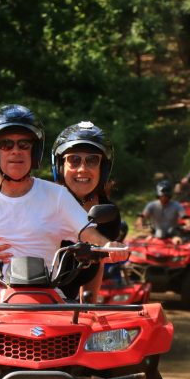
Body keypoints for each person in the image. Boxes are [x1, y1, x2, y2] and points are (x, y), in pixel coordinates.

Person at [0, 105, 127, 303]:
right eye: (6, 144)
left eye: (24, 145)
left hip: (47, 298)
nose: (15, 151)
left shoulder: (57, 196)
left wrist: (110, 247)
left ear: (34, 151)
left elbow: (90, 235)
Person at [51, 121, 121, 302]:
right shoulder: (41, 201)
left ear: (103, 168)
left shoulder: (107, 215)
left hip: (68, 309)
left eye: (92, 160)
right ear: (60, 166)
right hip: (24, 302)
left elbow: (96, 265)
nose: (82, 168)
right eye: (74, 160)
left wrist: (89, 308)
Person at [136, 180, 190, 245]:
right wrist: (140, 221)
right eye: (162, 196)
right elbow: (143, 216)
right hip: (155, 232)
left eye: (166, 196)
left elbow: (185, 217)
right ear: (158, 195)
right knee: (146, 243)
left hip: (172, 233)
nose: (164, 198)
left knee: (178, 242)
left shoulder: (176, 205)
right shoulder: (152, 205)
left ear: (169, 195)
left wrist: (188, 223)